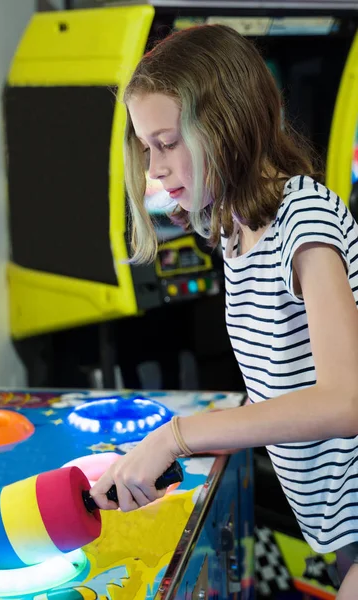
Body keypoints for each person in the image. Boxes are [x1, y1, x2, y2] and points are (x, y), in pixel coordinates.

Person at [90, 24, 358, 597]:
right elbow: (276, 400)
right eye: (145, 149)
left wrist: (177, 437)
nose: (154, 170)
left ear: (226, 127)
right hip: (336, 532)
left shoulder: (303, 220)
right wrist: (157, 452)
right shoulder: (234, 234)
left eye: (167, 143)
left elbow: (346, 399)